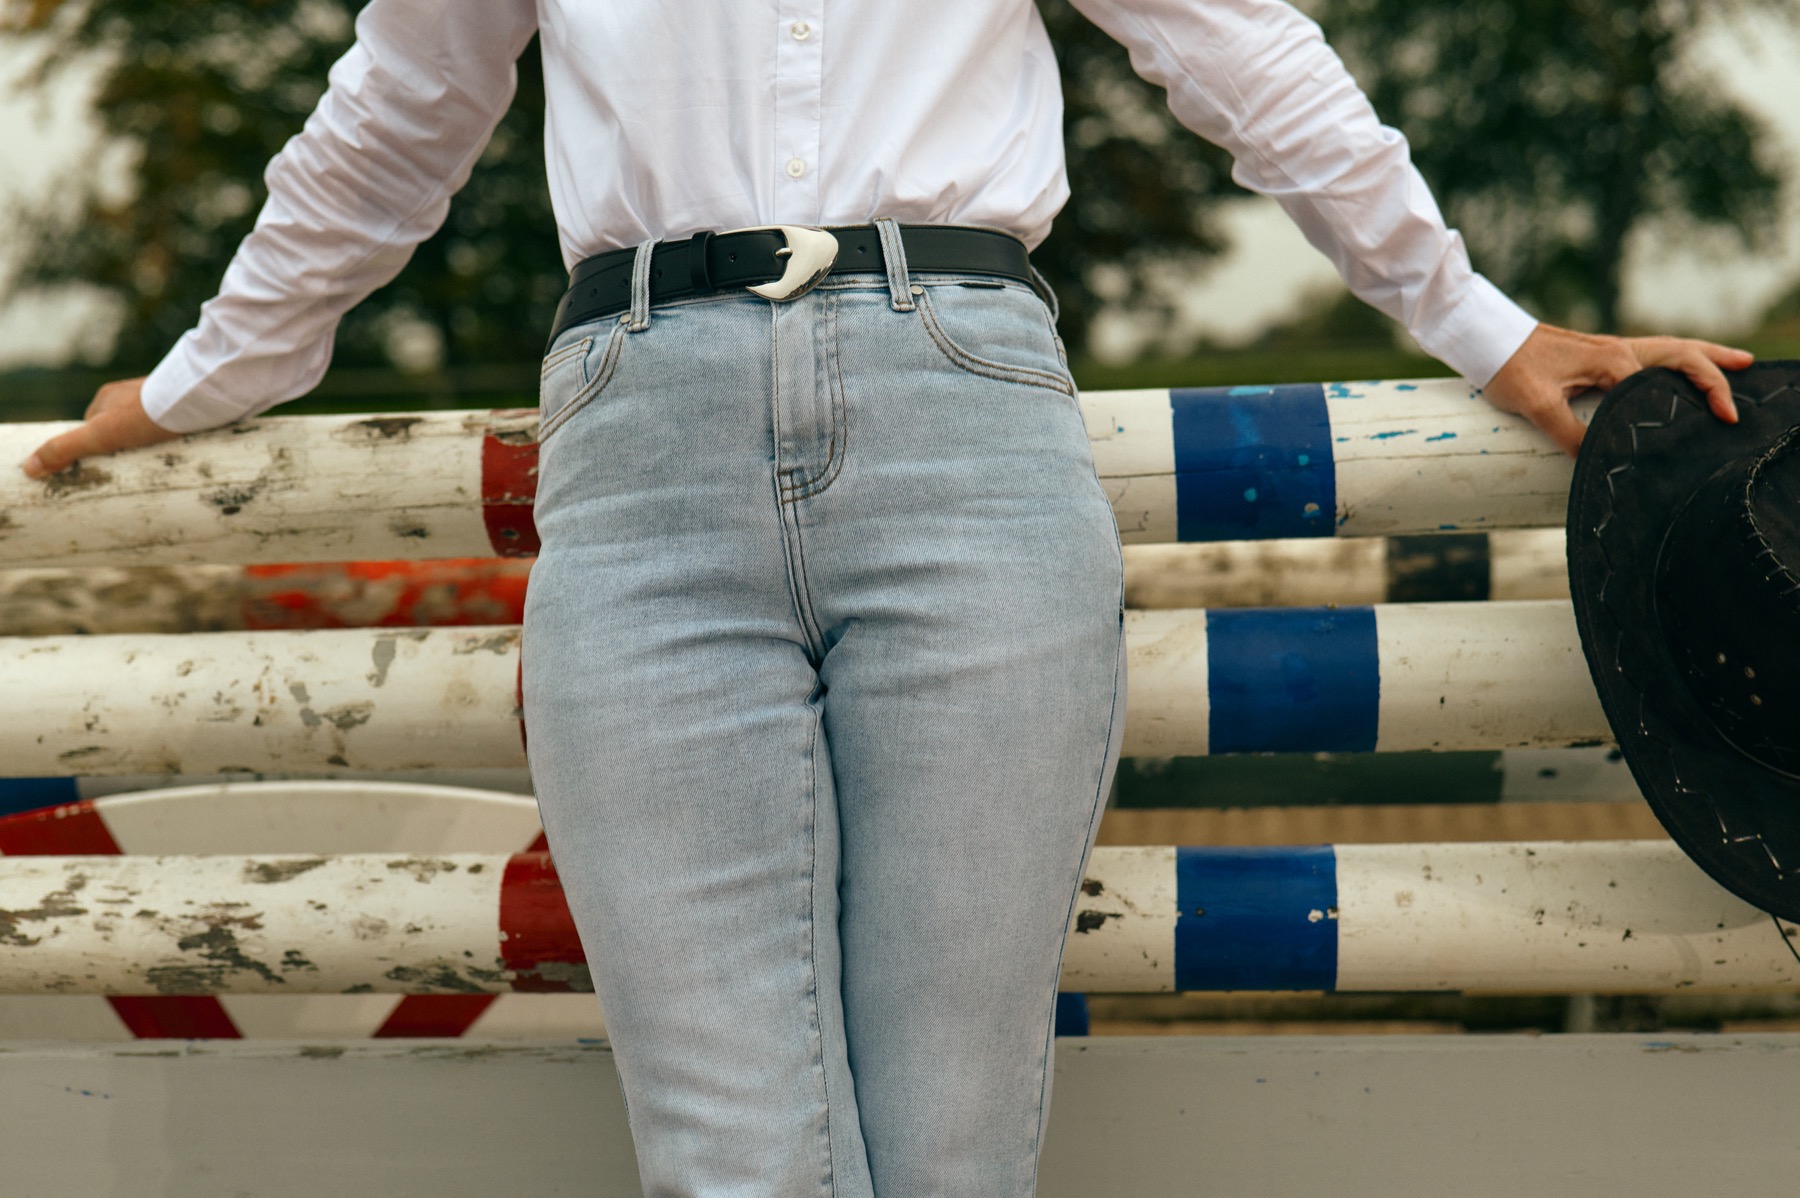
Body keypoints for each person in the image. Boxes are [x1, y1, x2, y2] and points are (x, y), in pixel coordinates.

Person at [17, 1, 1752, 1194]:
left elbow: (1233, 46)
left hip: (962, 403)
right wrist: (199, 383)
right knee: (727, 1150)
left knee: (950, 1142)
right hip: (639, 427)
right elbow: (397, 118)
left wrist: (1483, 324)